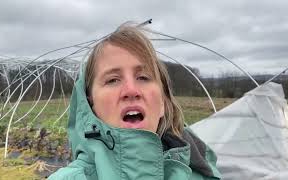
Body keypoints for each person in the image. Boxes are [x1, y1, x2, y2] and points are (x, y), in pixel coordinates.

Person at [48, 23, 221, 180]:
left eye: (143, 77)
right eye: (113, 80)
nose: (131, 90)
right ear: (90, 105)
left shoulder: (201, 172)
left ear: (162, 103)